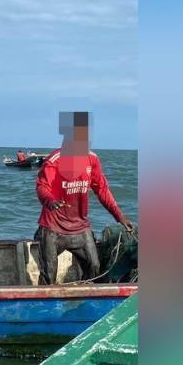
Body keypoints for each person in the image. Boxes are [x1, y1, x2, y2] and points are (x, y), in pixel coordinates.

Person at [35, 111, 133, 284]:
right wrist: (50, 201)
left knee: (94, 267)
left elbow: (102, 190)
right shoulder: (54, 160)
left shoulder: (92, 159)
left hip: (80, 227)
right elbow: (42, 187)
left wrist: (120, 216)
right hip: (53, 228)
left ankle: (80, 298)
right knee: (49, 276)